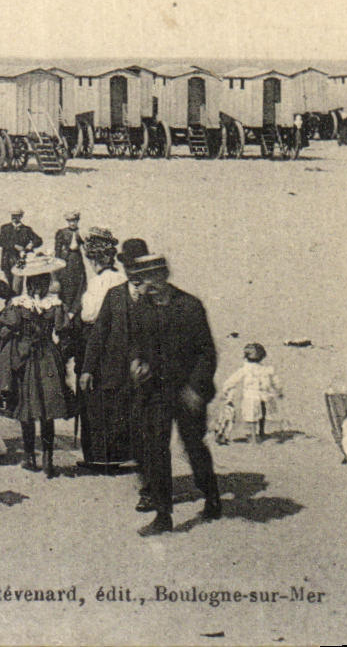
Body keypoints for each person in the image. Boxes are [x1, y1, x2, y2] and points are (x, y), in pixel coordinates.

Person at [126, 252, 220, 535]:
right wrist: (136, 361)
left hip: (188, 389)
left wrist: (195, 389)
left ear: (165, 275)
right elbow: (135, 343)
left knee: (193, 446)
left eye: (154, 277)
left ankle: (212, 497)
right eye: (143, 279)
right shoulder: (142, 307)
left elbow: (207, 353)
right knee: (156, 448)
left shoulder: (190, 306)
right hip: (155, 390)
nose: (148, 284)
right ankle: (163, 515)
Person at [0, 255, 71, 477]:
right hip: (48, 357)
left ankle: (31, 456)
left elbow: (8, 326)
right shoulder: (55, 305)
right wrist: (61, 351)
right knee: (46, 410)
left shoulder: (19, 305)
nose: (37, 287)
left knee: (28, 408)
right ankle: (47, 458)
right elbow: (64, 331)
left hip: (26, 359)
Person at [75, 229, 133, 470]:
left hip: (100, 341)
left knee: (97, 398)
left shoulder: (104, 282)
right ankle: (114, 454)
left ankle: (102, 457)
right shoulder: (119, 280)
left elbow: (91, 315)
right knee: (111, 399)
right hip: (111, 343)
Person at [214, 342, 283, 442]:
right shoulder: (267, 369)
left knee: (252, 418)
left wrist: (226, 388)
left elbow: (233, 379)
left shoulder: (245, 369)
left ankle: (254, 437)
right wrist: (279, 391)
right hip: (264, 395)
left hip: (250, 396)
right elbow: (276, 381)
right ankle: (261, 432)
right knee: (262, 414)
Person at [0, 208, 42, 281]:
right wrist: (14, 246)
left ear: (21, 216)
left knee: (19, 282)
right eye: (13, 215)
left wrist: (32, 245)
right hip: (7, 259)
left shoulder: (26, 229)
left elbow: (39, 240)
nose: (14, 218)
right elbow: (1, 242)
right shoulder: (5, 228)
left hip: (21, 259)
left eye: (16, 216)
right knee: (9, 281)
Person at [53, 211, 85, 311]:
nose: (72, 223)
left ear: (77, 221)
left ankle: (75, 310)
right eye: (70, 221)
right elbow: (57, 249)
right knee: (66, 285)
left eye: (74, 221)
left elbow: (86, 246)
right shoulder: (62, 232)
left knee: (79, 284)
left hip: (77, 260)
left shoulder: (81, 232)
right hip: (66, 260)